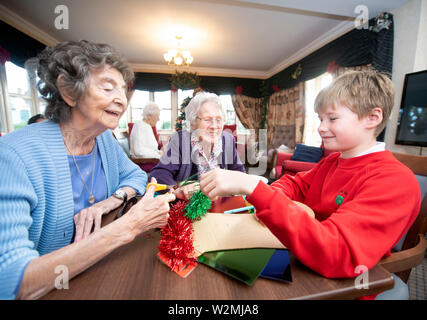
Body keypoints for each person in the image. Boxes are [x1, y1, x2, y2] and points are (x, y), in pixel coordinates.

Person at [200, 70, 421, 298]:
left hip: (341, 287)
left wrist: (255, 189)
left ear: (372, 118)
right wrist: (270, 196)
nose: (321, 128)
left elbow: (337, 254)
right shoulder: (333, 161)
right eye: (320, 118)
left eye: (332, 118)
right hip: (304, 260)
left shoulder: (394, 180)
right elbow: (295, 185)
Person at [0, 40, 175, 300]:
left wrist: (110, 201)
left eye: (123, 91)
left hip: (99, 272)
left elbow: (136, 175)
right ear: (68, 91)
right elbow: (11, 280)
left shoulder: (103, 140)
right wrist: (129, 226)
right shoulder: (13, 155)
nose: (121, 100)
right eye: (107, 87)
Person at [149, 91, 245, 200]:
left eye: (218, 119)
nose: (214, 126)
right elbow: (159, 173)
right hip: (190, 207)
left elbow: (240, 174)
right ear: (193, 122)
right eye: (207, 120)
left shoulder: (228, 140)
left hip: (222, 203)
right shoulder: (181, 141)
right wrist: (177, 189)